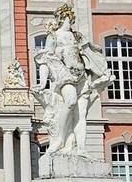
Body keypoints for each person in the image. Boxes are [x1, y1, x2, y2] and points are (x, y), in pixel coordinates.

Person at [32, 9, 112, 154]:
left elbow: (92, 51)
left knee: (81, 115)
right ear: (62, 19)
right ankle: (59, 140)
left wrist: (96, 51)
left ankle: (81, 148)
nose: (71, 22)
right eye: (69, 19)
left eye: (71, 19)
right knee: (70, 101)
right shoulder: (54, 37)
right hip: (64, 75)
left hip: (82, 77)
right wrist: (43, 83)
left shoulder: (77, 36)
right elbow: (45, 61)